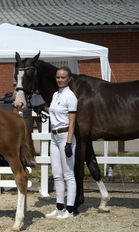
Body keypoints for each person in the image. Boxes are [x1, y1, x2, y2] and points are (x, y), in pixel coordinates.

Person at [44, 66, 77, 219]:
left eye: (63, 77)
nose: (60, 80)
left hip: (65, 137)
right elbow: (55, 112)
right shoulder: (55, 94)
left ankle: (69, 210)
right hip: (54, 137)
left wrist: (69, 143)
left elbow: (72, 122)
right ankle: (59, 207)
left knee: (68, 175)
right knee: (57, 175)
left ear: (69, 79)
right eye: (58, 77)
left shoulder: (71, 97)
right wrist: (42, 108)